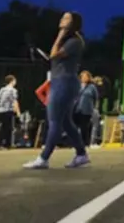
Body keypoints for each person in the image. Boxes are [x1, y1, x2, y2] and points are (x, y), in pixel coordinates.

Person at [24, 12, 90, 169]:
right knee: (66, 122)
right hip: (61, 81)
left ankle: (43, 158)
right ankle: (81, 155)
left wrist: (60, 35)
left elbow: (53, 55)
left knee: (54, 121)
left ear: (74, 23)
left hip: (64, 82)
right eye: (62, 17)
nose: (62, 20)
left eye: (66, 18)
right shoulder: (71, 41)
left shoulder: (74, 41)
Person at [0, 75, 21, 150]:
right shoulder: (13, 90)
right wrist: (18, 112)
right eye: (15, 81)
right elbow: (15, 101)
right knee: (8, 128)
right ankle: (6, 145)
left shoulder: (2, 89)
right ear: (12, 81)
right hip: (8, 110)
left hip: (0, 110)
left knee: (2, 127)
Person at [74, 71, 99, 148]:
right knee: (75, 127)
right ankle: (76, 143)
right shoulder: (77, 86)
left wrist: (93, 107)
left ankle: (85, 143)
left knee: (84, 127)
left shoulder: (92, 87)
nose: (84, 78)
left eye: (86, 77)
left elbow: (96, 98)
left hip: (87, 109)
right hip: (77, 109)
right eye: (83, 77)